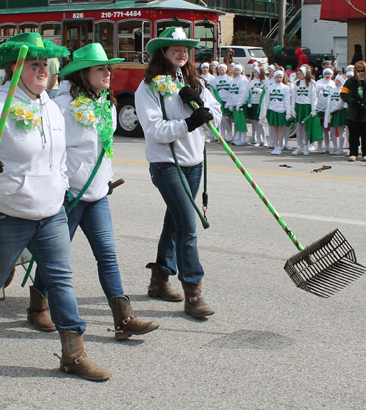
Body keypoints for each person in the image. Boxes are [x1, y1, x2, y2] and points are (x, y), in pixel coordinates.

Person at [0, 32, 111, 382]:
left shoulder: (51, 106)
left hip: (51, 213)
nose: (41, 70)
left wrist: (64, 187)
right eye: (33, 64)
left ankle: (74, 353)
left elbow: (61, 158)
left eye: (45, 64)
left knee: (61, 280)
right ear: (14, 68)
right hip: (6, 215)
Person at [29, 43, 159, 340]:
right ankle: (37, 307)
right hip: (70, 197)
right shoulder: (62, 108)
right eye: (101, 68)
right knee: (56, 260)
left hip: (97, 195)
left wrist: (105, 179)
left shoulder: (108, 105)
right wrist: (62, 186)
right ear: (83, 74)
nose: (108, 73)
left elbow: (104, 150)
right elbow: (51, 153)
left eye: (108, 67)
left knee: (108, 256)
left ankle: (124, 319)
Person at [134, 27, 222, 318]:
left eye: (185, 48)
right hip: (166, 164)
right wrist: (190, 122)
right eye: (175, 47)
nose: (182, 52)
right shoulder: (147, 88)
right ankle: (193, 292)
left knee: (174, 223)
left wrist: (203, 109)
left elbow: (216, 111)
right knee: (188, 227)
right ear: (163, 52)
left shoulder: (195, 81)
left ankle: (159, 278)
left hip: (194, 163)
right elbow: (155, 130)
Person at [260, 70, 291, 155]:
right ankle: (275, 146)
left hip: (281, 111)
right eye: (277, 77)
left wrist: (288, 113)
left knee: (280, 130)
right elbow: (267, 100)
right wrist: (265, 111)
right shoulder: (270, 87)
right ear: (274, 78)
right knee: (274, 130)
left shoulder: (285, 88)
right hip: (272, 110)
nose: (279, 79)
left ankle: (280, 146)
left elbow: (287, 101)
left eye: (280, 77)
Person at [340, 61, 366, 161]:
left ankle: (365, 154)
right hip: (353, 112)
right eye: (358, 70)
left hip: (365, 113)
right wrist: (352, 101)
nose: (360, 73)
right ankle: (353, 153)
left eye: (362, 70)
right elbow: (343, 94)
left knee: (365, 134)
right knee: (353, 135)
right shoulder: (351, 81)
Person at [291, 65, 318, 156]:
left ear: (305, 74)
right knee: (298, 128)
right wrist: (293, 109)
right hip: (299, 107)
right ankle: (299, 147)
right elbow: (293, 97)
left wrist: (313, 109)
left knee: (306, 128)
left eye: (300, 73)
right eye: (298, 73)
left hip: (307, 107)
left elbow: (314, 98)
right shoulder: (296, 84)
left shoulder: (311, 84)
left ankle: (306, 147)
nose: (298, 75)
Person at [225, 64, 250, 145]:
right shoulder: (233, 81)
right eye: (235, 70)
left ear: (241, 71)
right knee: (237, 122)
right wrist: (230, 103)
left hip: (241, 105)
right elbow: (231, 93)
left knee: (241, 122)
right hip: (235, 105)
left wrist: (239, 103)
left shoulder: (243, 80)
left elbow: (243, 93)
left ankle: (243, 139)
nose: (236, 72)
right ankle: (238, 137)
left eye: (238, 70)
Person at [324, 74, 347, 155]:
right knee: (332, 131)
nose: (337, 82)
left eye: (339, 81)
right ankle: (335, 147)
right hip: (331, 112)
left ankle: (341, 148)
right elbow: (329, 101)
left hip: (339, 112)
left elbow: (340, 103)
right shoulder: (332, 90)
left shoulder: (343, 90)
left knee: (341, 131)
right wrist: (328, 110)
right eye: (336, 80)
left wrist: (332, 110)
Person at [210, 63, 233, 141]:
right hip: (219, 101)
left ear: (226, 70)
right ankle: (223, 135)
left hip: (227, 101)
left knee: (228, 119)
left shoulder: (229, 79)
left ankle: (229, 134)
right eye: (220, 70)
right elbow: (213, 91)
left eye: (223, 70)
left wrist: (230, 101)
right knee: (222, 119)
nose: (222, 72)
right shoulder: (215, 80)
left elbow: (231, 91)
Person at [315, 68, 335, 153]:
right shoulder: (319, 82)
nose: (327, 75)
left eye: (329, 74)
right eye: (326, 73)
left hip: (328, 109)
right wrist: (319, 88)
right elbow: (314, 92)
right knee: (320, 129)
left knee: (327, 129)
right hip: (319, 108)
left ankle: (327, 147)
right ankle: (319, 146)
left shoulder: (333, 83)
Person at [247, 66, 266, 146]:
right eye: (253, 72)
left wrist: (259, 91)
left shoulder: (264, 80)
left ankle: (263, 140)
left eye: (256, 72)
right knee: (254, 122)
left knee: (260, 122)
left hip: (260, 103)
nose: (254, 74)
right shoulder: (251, 81)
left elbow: (265, 91)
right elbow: (249, 91)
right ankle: (256, 139)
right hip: (253, 102)